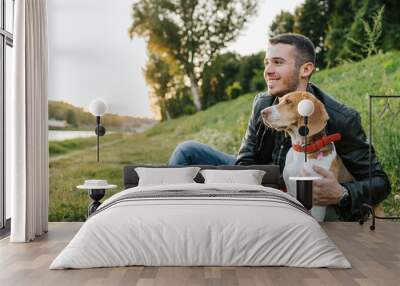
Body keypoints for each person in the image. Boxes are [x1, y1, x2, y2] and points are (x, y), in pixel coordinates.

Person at [168, 33, 390, 221]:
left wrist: (342, 193)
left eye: (278, 62)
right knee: (186, 151)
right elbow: (245, 161)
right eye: (267, 62)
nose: (268, 70)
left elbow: (380, 182)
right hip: (268, 180)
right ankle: (169, 219)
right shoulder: (263, 104)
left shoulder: (341, 118)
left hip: (311, 195)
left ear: (305, 69)